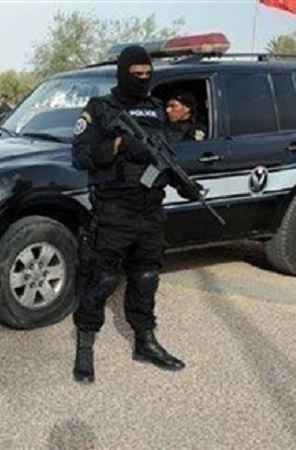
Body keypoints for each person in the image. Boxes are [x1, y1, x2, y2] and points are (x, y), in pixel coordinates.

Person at [70, 45, 202, 384]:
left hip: (150, 210)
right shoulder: (100, 109)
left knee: (146, 276)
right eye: (136, 74)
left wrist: (184, 185)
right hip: (114, 209)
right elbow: (80, 156)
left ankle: (145, 341)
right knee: (102, 279)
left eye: (147, 74)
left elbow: (163, 157)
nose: (143, 79)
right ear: (122, 74)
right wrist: (118, 146)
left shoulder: (156, 109)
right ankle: (85, 346)